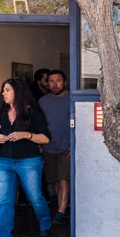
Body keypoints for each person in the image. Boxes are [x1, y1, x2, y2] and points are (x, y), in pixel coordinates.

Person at [0, 77, 52, 237]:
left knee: (35, 196)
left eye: (7, 90)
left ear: (18, 92)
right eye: (3, 90)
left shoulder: (32, 112)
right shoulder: (0, 112)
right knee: (5, 202)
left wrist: (26, 135)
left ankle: (45, 226)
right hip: (2, 161)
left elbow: (45, 138)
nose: (3, 94)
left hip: (28, 161)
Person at [38, 69, 72, 226]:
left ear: (65, 82)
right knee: (54, 180)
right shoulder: (43, 101)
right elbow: (39, 125)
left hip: (66, 146)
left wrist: (74, 144)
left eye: (58, 81)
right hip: (48, 147)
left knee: (64, 178)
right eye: (50, 81)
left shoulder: (71, 99)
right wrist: (39, 144)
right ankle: (63, 207)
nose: (54, 84)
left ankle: (61, 211)